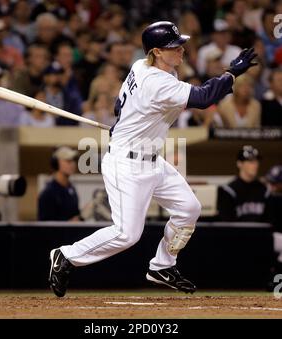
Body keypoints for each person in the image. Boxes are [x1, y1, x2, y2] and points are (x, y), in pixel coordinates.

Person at [49, 21, 258, 297]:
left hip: (151, 159)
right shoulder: (156, 82)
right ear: (157, 51)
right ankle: (65, 256)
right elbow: (206, 97)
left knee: (189, 209)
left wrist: (125, 123)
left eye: (181, 44)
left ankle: (162, 266)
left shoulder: (141, 65)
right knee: (127, 234)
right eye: (174, 46)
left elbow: (118, 106)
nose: (182, 50)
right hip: (127, 163)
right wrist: (232, 73)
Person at [217, 145, 269, 222]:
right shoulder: (229, 190)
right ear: (239, 164)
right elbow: (226, 221)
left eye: (256, 161)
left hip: (260, 233)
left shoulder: (263, 189)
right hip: (237, 233)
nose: (255, 165)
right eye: (250, 161)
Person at [38, 146, 81, 221]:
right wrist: (69, 224)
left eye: (73, 160)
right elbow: (45, 226)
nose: (73, 164)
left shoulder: (71, 189)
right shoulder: (48, 193)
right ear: (56, 163)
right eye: (68, 161)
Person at [265, 165, 282, 288]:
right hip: (269, 236)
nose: (273, 186)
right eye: (271, 182)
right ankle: (276, 280)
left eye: (276, 183)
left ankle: (277, 280)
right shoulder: (268, 197)